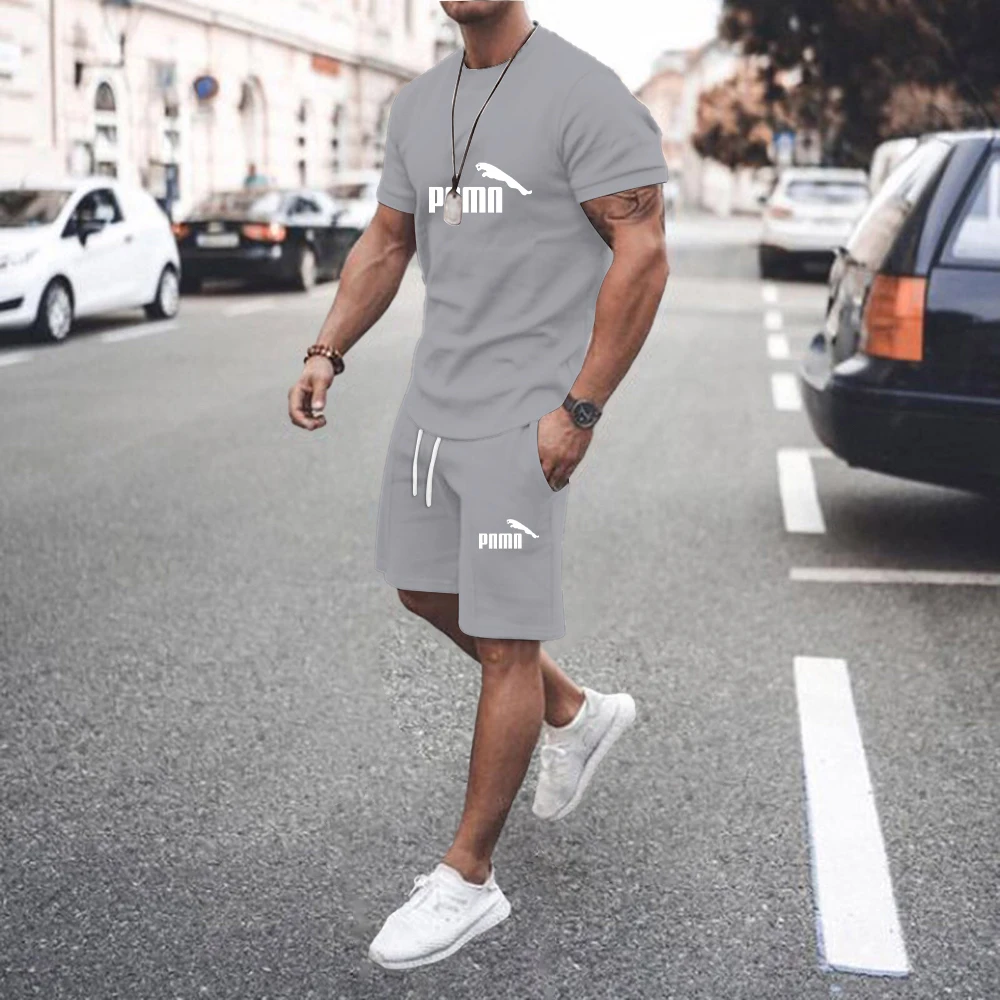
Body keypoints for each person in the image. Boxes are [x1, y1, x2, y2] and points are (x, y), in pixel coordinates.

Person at [288, 0, 669, 970]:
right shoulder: (418, 103)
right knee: (422, 588)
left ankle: (468, 878)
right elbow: (387, 240)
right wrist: (328, 348)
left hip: (523, 416)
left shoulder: (584, 94)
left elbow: (642, 251)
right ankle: (574, 711)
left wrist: (580, 408)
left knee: (506, 639)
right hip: (432, 406)